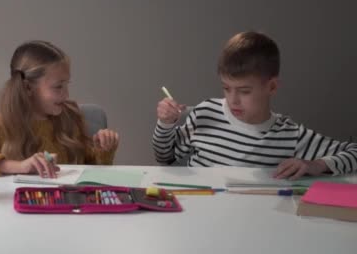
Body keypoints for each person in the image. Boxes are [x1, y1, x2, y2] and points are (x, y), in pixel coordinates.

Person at [152, 31, 357, 179]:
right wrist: (165, 124)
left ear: (272, 87)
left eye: (244, 91)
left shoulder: (289, 134)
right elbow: (165, 157)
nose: (233, 100)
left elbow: (353, 152)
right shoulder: (206, 113)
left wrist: (317, 164)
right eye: (226, 88)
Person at [0, 40, 120, 177]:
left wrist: (103, 149)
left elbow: (92, 172)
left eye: (67, 84)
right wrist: (17, 166)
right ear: (28, 87)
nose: (66, 94)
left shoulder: (70, 116)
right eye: (58, 87)